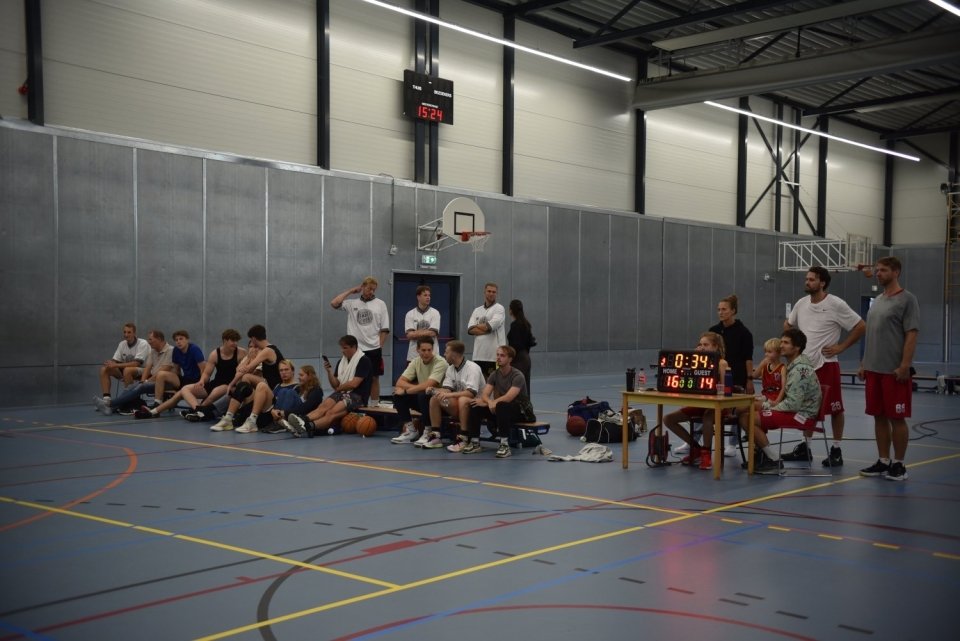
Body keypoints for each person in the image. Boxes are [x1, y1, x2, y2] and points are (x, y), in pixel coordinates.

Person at [784, 266, 865, 466]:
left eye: (812, 279)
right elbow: (788, 325)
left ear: (822, 283)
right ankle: (805, 447)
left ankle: (836, 449)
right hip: (805, 367)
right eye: (806, 279)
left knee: (836, 409)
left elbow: (860, 326)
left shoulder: (836, 304)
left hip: (826, 365)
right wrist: (794, 347)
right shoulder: (801, 303)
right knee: (806, 408)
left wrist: (841, 347)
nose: (807, 282)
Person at [858, 257, 919, 482]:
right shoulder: (877, 300)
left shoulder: (907, 299)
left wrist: (905, 365)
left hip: (894, 372)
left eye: (883, 270)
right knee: (879, 417)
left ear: (896, 272)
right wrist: (864, 363)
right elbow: (872, 334)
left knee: (897, 418)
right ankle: (883, 461)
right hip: (873, 370)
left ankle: (899, 464)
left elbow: (912, 334)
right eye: (877, 270)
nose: (878, 274)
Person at [750, 328, 823, 475]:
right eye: (781, 341)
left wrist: (766, 405)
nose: (781, 345)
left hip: (801, 416)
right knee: (747, 413)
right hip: (795, 410)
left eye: (786, 343)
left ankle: (773, 460)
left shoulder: (800, 370)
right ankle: (763, 456)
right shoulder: (793, 365)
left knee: (750, 418)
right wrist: (767, 402)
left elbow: (793, 404)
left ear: (796, 348)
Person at [136, 329, 244, 420]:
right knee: (183, 390)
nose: (235, 344)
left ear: (187, 340)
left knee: (215, 391)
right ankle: (154, 411)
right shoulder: (215, 354)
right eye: (233, 341)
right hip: (213, 383)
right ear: (225, 340)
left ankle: (197, 411)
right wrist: (202, 381)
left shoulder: (241, 353)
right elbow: (206, 373)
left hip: (230, 385)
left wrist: (236, 385)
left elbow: (243, 372)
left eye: (236, 341)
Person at [661, 332, 729, 470]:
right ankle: (696, 448)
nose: (702, 347)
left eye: (706, 345)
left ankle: (706, 453)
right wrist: (694, 357)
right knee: (668, 419)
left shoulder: (722, 363)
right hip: (701, 404)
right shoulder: (696, 361)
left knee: (707, 417)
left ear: (715, 346)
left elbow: (726, 389)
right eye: (700, 344)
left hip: (719, 405)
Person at [451, 345, 535, 458]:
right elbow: (485, 394)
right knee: (475, 404)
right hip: (501, 408)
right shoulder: (494, 374)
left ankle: (504, 445)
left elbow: (509, 397)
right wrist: (489, 402)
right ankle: (475, 442)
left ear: (510, 359)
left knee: (502, 405)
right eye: (497, 355)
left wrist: (492, 402)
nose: (498, 358)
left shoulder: (517, 375)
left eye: (502, 356)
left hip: (522, 410)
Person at [285, 335, 373, 437]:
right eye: (341, 348)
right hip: (342, 392)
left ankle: (308, 426)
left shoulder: (364, 360)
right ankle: (301, 421)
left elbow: (354, 383)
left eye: (345, 348)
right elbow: (335, 384)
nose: (342, 351)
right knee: (322, 407)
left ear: (354, 347)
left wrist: (339, 388)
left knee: (331, 412)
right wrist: (329, 372)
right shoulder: (341, 362)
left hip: (357, 396)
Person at [331, 277, 390, 406]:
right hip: (355, 350)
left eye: (374, 290)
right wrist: (351, 291)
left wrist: (379, 346)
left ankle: (374, 405)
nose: (371, 292)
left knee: (374, 377)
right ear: (362, 287)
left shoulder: (380, 304)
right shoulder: (352, 303)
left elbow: (385, 329)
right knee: (352, 377)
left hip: (373, 348)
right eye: (369, 289)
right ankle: (352, 403)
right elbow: (334, 303)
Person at [417, 340, 485, 450]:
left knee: (463, 399)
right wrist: (435, 389)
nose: (444, 354)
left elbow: (470, 393)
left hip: (476, 407)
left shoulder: (472, 368)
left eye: (446, 352)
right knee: (435, 398)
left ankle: (463, 438)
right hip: (459, 406)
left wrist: (449, 395)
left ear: (454, 355)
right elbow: (447, 389)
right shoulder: (450, 368)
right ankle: (436, 436)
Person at [709, 294, 754, 457]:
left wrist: (749, 380)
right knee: (707, 408)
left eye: (724, 309)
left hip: (737, 377)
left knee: (735, 410)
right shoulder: (713, 331)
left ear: (733, 311)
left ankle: (732, 444)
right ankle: (694, 441)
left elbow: (748, 358)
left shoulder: (744, 333)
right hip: (716, 378)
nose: (721, 312)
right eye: (718, 309)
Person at [98, 329, 174, 414]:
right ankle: (112, 407)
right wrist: (142, 381)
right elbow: (148, 367)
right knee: (132, 387)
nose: (149, 342)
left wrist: (146, 382)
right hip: (153, 380)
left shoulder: (170, 350)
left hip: (164, 382)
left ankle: (109, 404)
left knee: (140, 387)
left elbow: (162, 372)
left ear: (159, 339)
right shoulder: (153, 351)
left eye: (150, 339)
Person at [390, 337, 448, 444]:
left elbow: (430, 384)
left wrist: (407, 391)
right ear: (417, 350)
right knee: (397, 395)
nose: (426, 353)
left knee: (423, 395)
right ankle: (411, 431)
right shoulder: (415, 361)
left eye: (429, 350)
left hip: (441, 401)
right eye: (423, 350)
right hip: (423, 397)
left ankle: (428, 432)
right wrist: (413, 389)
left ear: (433, 349)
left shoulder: (440, 362)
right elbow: (400, 382)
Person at [94, 322, 150, 414]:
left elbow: (136, 363)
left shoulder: (142, 343)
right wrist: (110, 363)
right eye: (124, 332)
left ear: (134, 333)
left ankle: (129, 401)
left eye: (129, 332)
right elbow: (115, 361)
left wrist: (116, 365)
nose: (126, 335)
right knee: (104, 369)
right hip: (126, 371)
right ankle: (106, 401)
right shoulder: (122, 344)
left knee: (127, 370)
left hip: (143, 371)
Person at [148, 329, 206, 408]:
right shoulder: (176, 350)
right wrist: (173, 383)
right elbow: (176, 369)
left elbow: (203, 369)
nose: (178, 342)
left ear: (187, 340)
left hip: (197, 380)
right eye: (176, 340)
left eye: (181, 339)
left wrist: (201, 382)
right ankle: (157, 402)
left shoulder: (194, 349)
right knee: (161, 374)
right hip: (185, 379)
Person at [467, 282, 506, 378]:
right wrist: (487, 329)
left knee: (494, 382)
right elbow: (470, 330)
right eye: (489, 291)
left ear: (496, 294)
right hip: (478, 355)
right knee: (479, 383)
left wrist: (477, 325)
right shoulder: (477, 310)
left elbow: (490, 327)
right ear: (484, 292)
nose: (491, 294)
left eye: (494, 292)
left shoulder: (499, 308)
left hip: (494, 356)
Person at [404, 285, 440, 362]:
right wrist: (427, 332)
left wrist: (416, 333)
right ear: (418, 297)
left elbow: (433, 333)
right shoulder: (410, 314)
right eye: (425, 295)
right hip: (414, 356)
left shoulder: (435, 313)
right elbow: (409, 335)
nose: (428, 297)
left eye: (429, 295)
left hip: (432, 355)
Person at [507, 299, 535, 394]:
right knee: (525, 386)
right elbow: (530, 342)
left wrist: (509, 358)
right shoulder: (526, 324)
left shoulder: (515, 325)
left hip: (517, 358)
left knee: (516, 387)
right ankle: (526, 403)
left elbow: (515, 345)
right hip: (526, 357)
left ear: (511, 310)